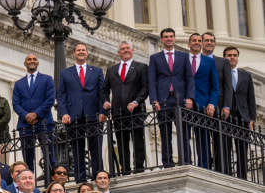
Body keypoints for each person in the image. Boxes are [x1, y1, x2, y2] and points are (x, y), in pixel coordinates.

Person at [57, 43, 105, 183]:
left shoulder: (97, 71)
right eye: (78, 50)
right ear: (74, 53)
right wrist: (64, 113)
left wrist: (102, 112)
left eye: (83, 50)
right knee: (77, 149)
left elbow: (102, 93)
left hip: (93, 115)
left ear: (87, 53)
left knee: (95, 148)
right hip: (73, 117)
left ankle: (97, 176)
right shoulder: (65, 73)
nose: (81, 52)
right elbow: (61, 95)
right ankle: (80, 178)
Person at [148, 27, 194, 168]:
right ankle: (167, 162)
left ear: (174, 38)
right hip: (163, 100)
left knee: (184, 132)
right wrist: (154, 100)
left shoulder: (184, 56)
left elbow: (189, 78)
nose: (169, 39)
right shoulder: (155, 58)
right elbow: (152, 80)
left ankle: (186, 161)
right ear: (162, 39)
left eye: (171, 36)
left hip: (180, 99)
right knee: (165, 133)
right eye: (166, 37)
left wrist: (190, 98)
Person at [101, 40, 149, 175]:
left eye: (128, 48)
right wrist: (105, 101)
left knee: (138, 140)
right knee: (122, 142)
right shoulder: (112, 70)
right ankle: (125, 169)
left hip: (136, 111)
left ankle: (139, 167)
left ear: (132, 50)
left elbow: (145, 88)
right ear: (118, 53)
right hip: (118, 112)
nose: (126, 50)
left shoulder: (141, 67)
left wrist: (136, 102)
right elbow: (104, 90)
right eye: (123, 49)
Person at [12, 53, 56, 177]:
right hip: (25, 125)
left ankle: (52, 180)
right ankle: (30, 182)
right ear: (25, 63)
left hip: (44, 122)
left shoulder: (47, 79)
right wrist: (27, 116)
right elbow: (15, 104)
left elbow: (50, 99)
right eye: (29, 59)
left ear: (37, 62)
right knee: (27, 157)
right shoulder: (19, 84)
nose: (32, 61)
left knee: (49, 154)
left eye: (34, 59)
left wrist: (36, 114)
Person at [202, 32, 233, 174]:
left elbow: (228, 86)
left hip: (219, 106)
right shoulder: (196, 60)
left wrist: (227, 106)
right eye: (207, 40)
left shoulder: (223, 62)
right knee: (202, 138)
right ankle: (205, 167)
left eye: (212, 41)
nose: (209, 43)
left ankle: (222, 170)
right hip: (200, 105)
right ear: (202, 43)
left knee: (219, 139)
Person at [187, 33, 219, 169]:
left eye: (199, 41)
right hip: (186, 104)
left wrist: (212, 103)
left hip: (203, 106)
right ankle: (186, 163)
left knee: (203, 138)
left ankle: (204, 166)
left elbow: (215, 86)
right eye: (194, 40)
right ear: (189, 44)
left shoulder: (210, 62)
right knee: (185, 136)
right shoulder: (182, 59)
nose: (197, 43)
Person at [224, 46, 256, 179]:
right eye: (229, 55)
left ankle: (242, 175)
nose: (232, 57)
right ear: (225, 57)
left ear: (237, 57)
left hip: (243, 116)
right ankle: (227, 173)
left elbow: (251, 98)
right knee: (226, 146)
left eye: (234, 55)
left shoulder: (246, 75)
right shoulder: (221, 73)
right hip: (226, 114)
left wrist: (252, 118)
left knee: (242, 148)